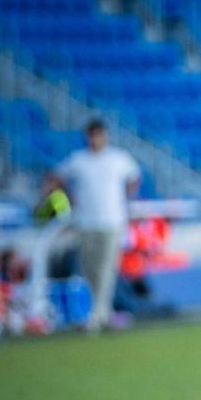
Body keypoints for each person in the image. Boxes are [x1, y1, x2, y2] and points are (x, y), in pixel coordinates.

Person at [44, 119, 141, 332]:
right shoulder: (79, 160)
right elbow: (56, 177)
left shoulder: (117, 158)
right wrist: (70, 198)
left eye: (99, 135)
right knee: (90, 270)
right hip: (86, 221)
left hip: (112, 221)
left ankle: (97, 314)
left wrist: (124, 198)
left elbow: (135, 177)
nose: (96, 139)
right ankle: (103, 312)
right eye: (92, 135)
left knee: (106, 269)